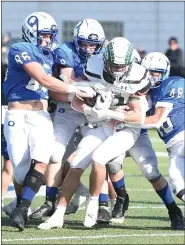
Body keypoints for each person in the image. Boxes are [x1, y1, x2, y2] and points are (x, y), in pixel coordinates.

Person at [37, 37, 152, 230]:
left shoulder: (138, 77)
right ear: (105, 60)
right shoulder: (94, 66)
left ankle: (94, 202)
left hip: (126, 128)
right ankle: (58, 214)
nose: (117, 70)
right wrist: (89, 109)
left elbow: (138, 116)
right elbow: (76, 100)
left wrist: (109, 112)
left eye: (121, 66)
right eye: (113, 65)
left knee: (100, 158)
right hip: (102, 122)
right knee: (76, 163)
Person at [3, 12, 95, 231]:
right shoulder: (20, 49)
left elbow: (69, 64)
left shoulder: (53, 52)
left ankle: (22, 209)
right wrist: (76, 89)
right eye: (44, 34)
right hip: (17, 115)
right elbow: (43, 79)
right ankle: (20, 203)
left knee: (42, 160)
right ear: (30, 32)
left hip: (41, 115)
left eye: (50, 35)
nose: (48, 39)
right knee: (20, 170)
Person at [29, 18, 106, 220]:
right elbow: (69, 84)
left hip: (94, 111)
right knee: (55, 153)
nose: (89, 49)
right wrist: (92, 89)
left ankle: (105, 204)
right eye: (84, 43)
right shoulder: (66, 51)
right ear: (76, 40)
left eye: (93, 45)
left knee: (105, 157)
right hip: (68, 108)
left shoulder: (105, 55)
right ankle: (49, 201)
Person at [123, 52, 184, 230]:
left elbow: (157, 119)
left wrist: (121, 117)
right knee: (177, 182)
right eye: (149, 72)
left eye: (156, 73)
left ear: (164, 73)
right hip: (173, 147)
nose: (152, 76)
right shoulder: (144, 92)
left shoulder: (173, 84)